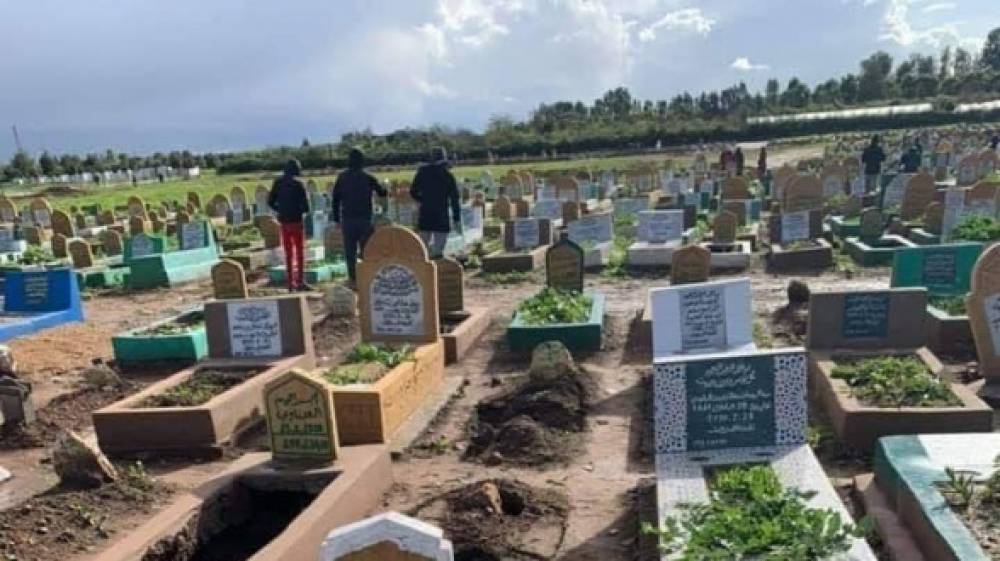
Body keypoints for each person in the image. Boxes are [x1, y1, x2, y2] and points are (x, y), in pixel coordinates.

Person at [331, 148, 387, 285]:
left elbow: (335, 199)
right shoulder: (368, 177)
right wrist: (385, 185)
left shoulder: (342, 177)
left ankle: (353, 278)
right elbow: (382, 193)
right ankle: (367, 276)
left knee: (350, 251)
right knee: (367, 250)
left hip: (348, 219)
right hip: (365, 219)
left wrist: (337, 219)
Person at [267, 159, 311, 292]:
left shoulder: (278, 183)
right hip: (296, 221)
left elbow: (270, 202)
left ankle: (290, 283)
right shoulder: (299, 184)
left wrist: (280, 210)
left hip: (284, 221)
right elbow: (306, 207)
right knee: (299, 252)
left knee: (288, 253)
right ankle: (300, 281)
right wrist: (299, 210)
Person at [410, 147, 461, 258]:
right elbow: (454, 199)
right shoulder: (448, 176)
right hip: (441, 215)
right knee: (438, 252)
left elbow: (413, 191)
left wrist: (423, 200)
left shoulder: (422, 172)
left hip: (425, 213)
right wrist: (457, 218)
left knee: (423, 251)